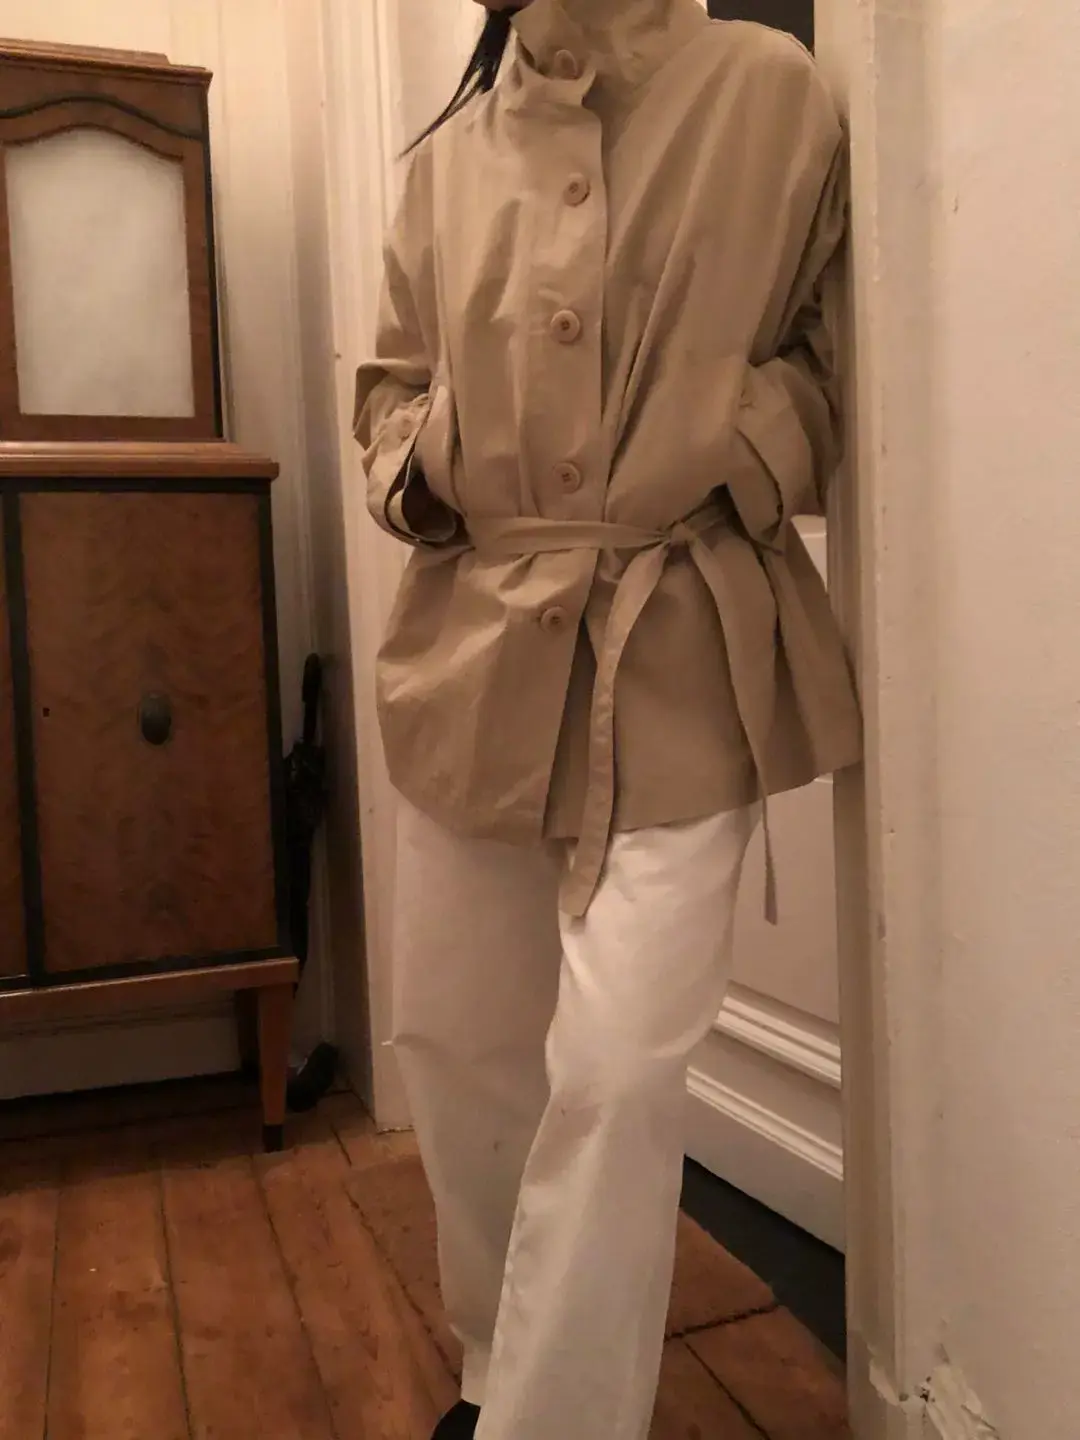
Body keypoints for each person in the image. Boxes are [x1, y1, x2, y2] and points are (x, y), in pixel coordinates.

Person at [353, 2, 861, 1437]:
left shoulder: (773, 92)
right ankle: (489, 1372)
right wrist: (429, 460)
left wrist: (737, 445)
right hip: (472, 651)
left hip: (681, 641)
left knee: (619, 1069)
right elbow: (389, 388)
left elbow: (835, 355)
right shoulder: (447, 156)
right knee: (459, 1044)